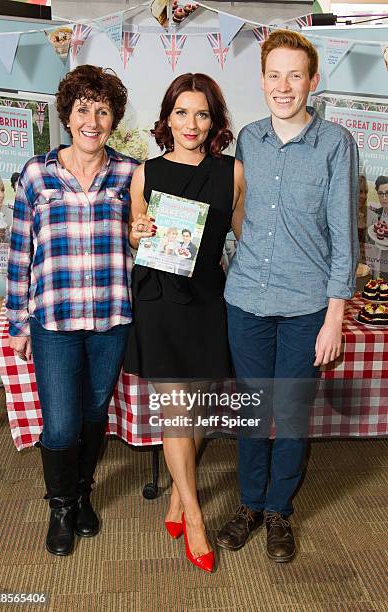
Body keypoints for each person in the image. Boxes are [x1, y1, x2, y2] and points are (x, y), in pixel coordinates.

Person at [217, 30, 359, 562]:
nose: (283, 85)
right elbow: (237, 217)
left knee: (293, 414)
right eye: (273, 74)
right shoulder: (248, 140)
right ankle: (250, 504)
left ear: (312, 81)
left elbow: (345, 235)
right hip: (246, 300)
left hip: (306, 308)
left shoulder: (336, 143)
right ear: (261, 81)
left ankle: (279, 509)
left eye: (294, 75)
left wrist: (334, 316)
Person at [6, 65, 139, 556]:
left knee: (92, 414)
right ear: (68, 114)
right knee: (60, 423)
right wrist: (19, 323)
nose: (92, 119)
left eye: (102, 110)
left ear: (113, 119)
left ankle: (82, 495)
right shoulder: (37, 173)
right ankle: (60, 507)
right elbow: (21, 251)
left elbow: (142, 240)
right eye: (83, 108)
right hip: (54, 322)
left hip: (111, 319)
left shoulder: (129, 173)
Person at [124, 73, 245, 573]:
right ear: (166, 117)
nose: (191, 124)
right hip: (158, 299)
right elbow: (136, 239)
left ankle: (177, 494)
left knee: (197, 408)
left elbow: (248, 243)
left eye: (201, 114)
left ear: (214, 120)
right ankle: (194, 516)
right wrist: (137, 232)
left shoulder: (232, 172)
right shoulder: (144, 173)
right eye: (181, 112)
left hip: (206, 299)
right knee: (177, 409)